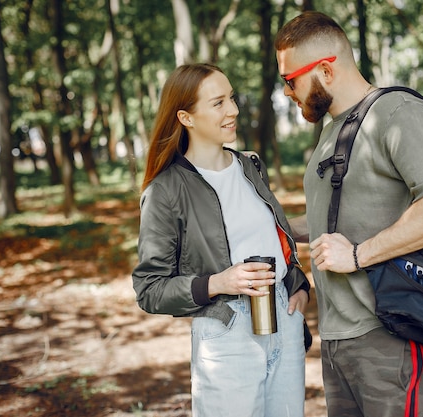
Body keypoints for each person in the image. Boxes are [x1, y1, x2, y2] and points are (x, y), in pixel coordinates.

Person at [274, 11, 423, 417]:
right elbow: (331, 223)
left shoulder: (398, 112)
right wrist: (269, 221)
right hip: (338, 336)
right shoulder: (334, 130)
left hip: (391, 334)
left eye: (289, 80)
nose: (286, 93)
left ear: (326, 70)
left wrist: (359, 255)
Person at [132, 63, 310, 417]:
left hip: (284, 321)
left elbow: (276, 235)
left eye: (231, 98)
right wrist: (218, 282)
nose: (233, 110)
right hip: (227, 330)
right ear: (186, 117)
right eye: (218, 103)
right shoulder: (165, 190)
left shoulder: (251, 166)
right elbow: (149, 289)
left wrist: (297, 282)